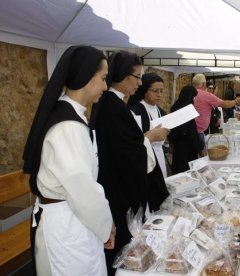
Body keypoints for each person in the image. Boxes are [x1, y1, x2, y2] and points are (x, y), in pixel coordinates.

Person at [22, 46, 114, 275]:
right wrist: (107, 226)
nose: (105, 86)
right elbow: (83, 191)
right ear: (86, 76)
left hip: (72, 219)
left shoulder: (70, 115)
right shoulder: (68, 126)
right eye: (103, 79)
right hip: (67, 226)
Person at [90, 51, 169, 275]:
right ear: (125, 76)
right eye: (138, 76)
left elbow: (126, 144)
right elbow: (128, 152)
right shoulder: (113, 107)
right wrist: (151, 137)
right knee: (119, 248)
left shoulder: (110, 104)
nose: (140, 83)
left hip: (114, 182)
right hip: (117, 188)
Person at [127, 73, 168, 177]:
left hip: (160, 156)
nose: (159, 95)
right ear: (145, 90)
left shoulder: (162, 112)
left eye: (161, 91)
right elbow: (132, 142)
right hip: (144, 158)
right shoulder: (135, 112)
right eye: (155, 91)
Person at [193, 74, 237, 154]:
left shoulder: (190, 93)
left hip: (190, 130)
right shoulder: (205, 95)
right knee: (200, 156)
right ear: (203, 84)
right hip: (199, 132)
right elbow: (225, 104)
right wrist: (235, 101)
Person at [168, 85, 203, 174]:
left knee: (178, 172)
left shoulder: (175, 107)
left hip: (178, 147)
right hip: (188, 148)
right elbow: (192, 133)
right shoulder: (188, 110)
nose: (194, 99)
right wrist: (199, 149)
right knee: (188, 173)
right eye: (194, 97)